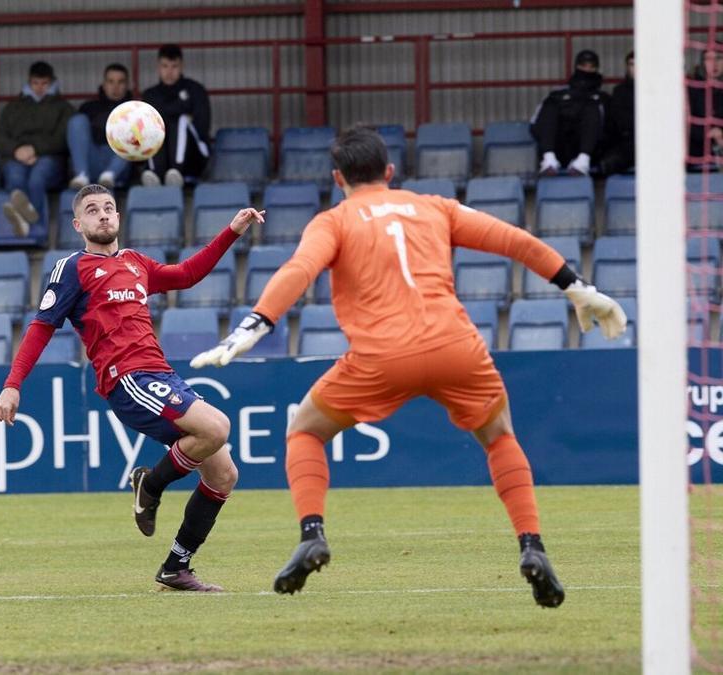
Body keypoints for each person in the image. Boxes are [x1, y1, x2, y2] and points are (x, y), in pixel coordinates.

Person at [191, 127, 628, 606]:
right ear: (391, 172)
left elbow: (300, 269)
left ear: (339, 178)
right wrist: (576, 287)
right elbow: (514, 240)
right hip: (455, 347)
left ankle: (312, 534)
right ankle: (532, 545)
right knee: (500, 436)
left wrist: (255, 324)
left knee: (305, 431)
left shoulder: (333, 221)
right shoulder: (435, 207)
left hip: (382, 356)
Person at [0, 183, 264, 592]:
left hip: (161, 375)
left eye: (109, 208)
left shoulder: (136, 263)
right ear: (78, 223)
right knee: (217, 428)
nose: (102, 215)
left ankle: (176, 566)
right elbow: (40, 327)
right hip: (127, 379)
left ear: (118, 217)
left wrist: (232, 231)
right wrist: (13, 385)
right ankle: (149, 484)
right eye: (92, 210)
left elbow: (187, 275)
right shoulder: (72, 269)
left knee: (224, 473)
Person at [0, 61, 74, 236]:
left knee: (37, 179)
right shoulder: (12, 107)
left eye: (44, 84)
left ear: (52, 82)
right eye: (35, 83)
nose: (39, 88)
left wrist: (34, 149)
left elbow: (62, 138)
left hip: (49, 158)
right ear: (29, 82)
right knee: (15, 176)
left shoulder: (64, 108)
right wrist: (16, 150)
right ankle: (26, 221)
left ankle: (36, 229)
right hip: (15, 157)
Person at [529, 49, 608, 176]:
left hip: (591, 151)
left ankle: (583, 160)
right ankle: (549, 159)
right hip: (559, 148)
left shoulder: (602, 98)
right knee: (551, 105)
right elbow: (535, 124)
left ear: (597, 69)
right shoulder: (557, 95)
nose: (586, 70)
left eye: (591, 66)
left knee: (591, 108)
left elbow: (608, 129)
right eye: (583, 66)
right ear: (576, 66)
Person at [141, 44, 211, 187]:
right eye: (165, 66)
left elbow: (202, 126)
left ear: (182, 66)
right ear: (158, 67)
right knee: (153, 126)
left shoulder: (195, 90)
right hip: (160, 157)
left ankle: (176, 170)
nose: (169, 71)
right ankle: (155, 173)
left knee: (181, 121)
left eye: (174, 66)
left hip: (193, 158)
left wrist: (176, 118)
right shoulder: (150, 95)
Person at [67, 63, 134, 190]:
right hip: (92, 160)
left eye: (120, 82)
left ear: (127, 85)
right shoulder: (88, 107)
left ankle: (109, 175)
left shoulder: (133, 108)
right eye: (111, 81)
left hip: (119, 166)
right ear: (104, 84)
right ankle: (81, 175)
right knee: (77, 121)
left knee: (134, 122)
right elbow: (78, 139)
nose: (115, 87)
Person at [688, 45, 723, 170]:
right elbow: (684, 124)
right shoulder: (691, 89)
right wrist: (709, 134)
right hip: (697, 154)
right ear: (703, 63)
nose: (714, 64)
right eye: (709, 59)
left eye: (719, 58)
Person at [600, 51, 635, 176]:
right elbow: (620, 120)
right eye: (632, 64)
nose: (636, 68)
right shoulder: (619, 91)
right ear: (627, 67)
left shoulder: (658, 90)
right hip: (628, 140)